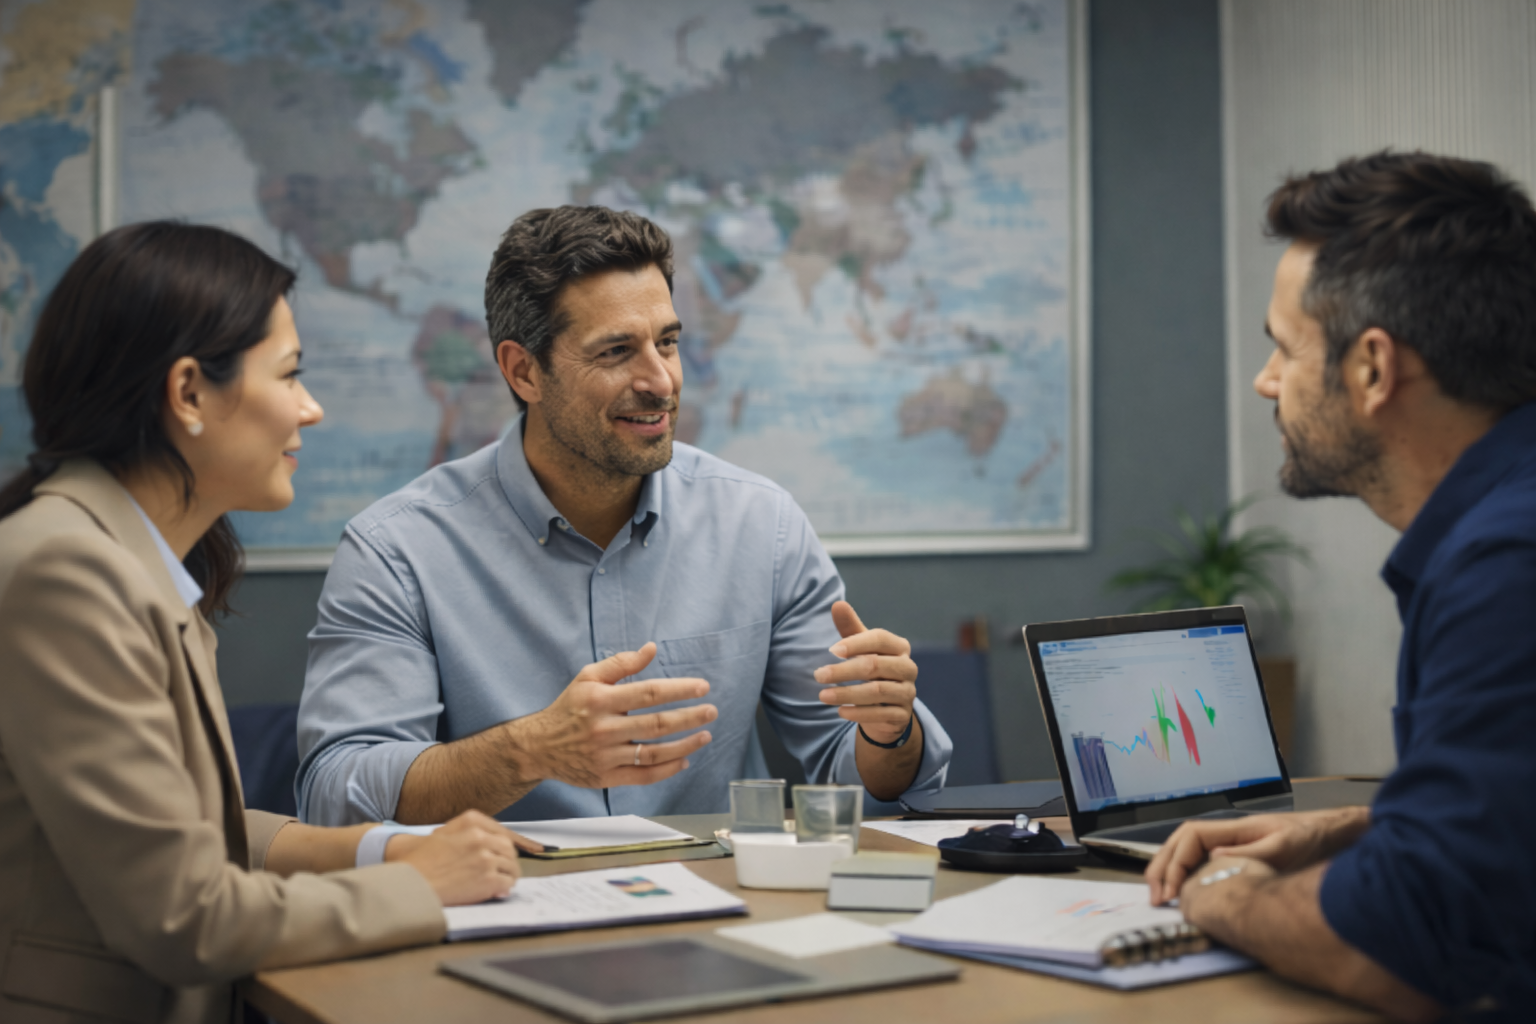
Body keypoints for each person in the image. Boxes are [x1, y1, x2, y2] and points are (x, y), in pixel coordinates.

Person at [0, 222, 531, 1024]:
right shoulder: (67, 573)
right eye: (290, 375)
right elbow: (185, 916)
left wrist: (381, 847)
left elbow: (179, 829)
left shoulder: (114, 557)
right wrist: (420, 886)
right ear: (188, 394)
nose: (310, 410)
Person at [296, 205, 953, 827]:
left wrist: (888, 729)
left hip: (720, 908)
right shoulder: (397, 551)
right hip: (509, 906)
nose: (661, 381)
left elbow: (862, 771)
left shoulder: (761, 525)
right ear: (523, 371)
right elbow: (336, 790)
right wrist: (532, 749)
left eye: (666, 343)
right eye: (616, 352)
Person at [1145, 152, 1536, 1020]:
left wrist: (1226, 894)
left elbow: (1405, 942)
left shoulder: (1507, 563)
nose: (1266, 381)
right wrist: (1344, 828)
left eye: (1284, 348)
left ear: (1371, 368)